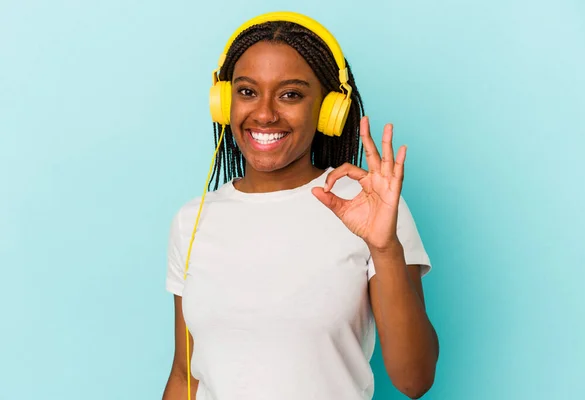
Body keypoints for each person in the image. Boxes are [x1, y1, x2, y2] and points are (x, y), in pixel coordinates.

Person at [162, 11, 439, 400]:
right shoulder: (191, 221)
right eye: (246, 91)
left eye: (290, 94)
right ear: (223, 103)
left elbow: (415, 380)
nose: (264, 113)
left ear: (328, 110)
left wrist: (384, 248)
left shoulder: (370, 208)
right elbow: (184, 376)